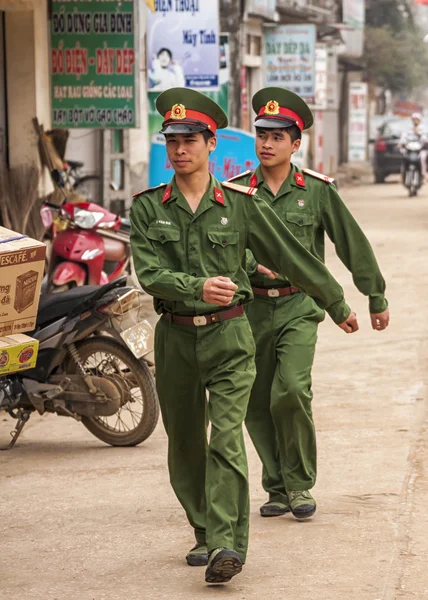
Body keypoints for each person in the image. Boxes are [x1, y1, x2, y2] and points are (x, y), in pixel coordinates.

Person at [130, 88, 359, 584]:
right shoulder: (148, 208)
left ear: (212, 143)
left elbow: (294, 256)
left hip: (231, 335)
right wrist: (195, 286)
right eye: (172, 141)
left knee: (227, 438)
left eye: (190, 139)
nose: (179, 149)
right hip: (174, 338)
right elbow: (148, 272)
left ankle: (228, 546)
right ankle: (205, 531)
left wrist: (336, 303)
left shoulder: (241, 204)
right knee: (185, 443)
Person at [227, 87, 390, 522]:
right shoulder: (238, 192)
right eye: (261, 134)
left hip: (299, 306)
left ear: (296, 144)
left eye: (278, 136)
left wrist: (374, 294)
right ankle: (276, 485)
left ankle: (299, 484)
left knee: (291, 390)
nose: (266, 143)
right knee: (256, 399)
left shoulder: (315, 191)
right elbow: (224, 246)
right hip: (252, 310)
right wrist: (247, 263)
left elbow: (349, 242)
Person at [399, 112, 428, 181]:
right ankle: (402, 175)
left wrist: (419, 133)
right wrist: (401, 143)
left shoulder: (423, 129)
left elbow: (425, 139)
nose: (415, 121)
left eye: (417, 119)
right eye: (414, 119)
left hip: (420, 149)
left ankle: (423, 174)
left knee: (422, 158)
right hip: (410, 149)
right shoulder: (408, 129)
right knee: (404, 157)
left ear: (419, 120)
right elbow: (404, 137)